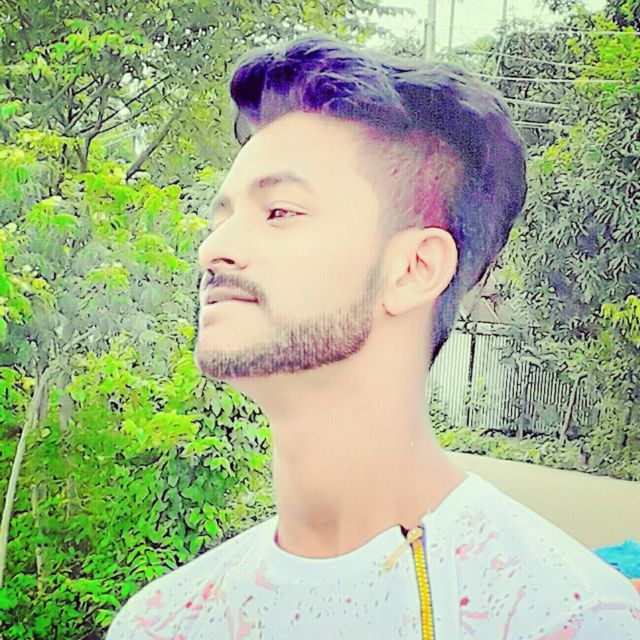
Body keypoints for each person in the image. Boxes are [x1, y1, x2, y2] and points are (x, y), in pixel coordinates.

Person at [106, 32, 640, 640]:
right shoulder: (163, 622)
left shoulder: (563, 616)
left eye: (279, 212)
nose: (213, 250)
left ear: (414, 269)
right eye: (221, 217)